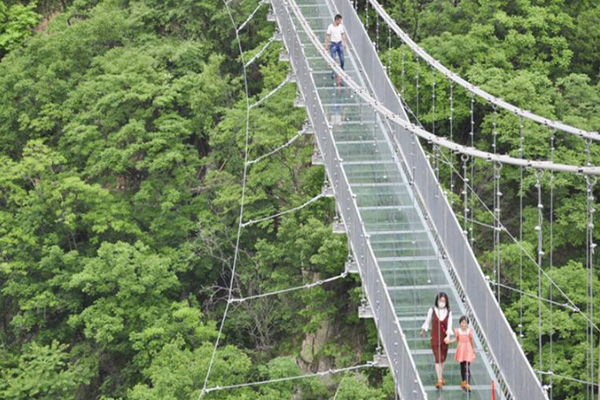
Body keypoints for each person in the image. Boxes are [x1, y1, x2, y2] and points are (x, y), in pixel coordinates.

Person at [420, 292, 453, 389]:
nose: (442, 302)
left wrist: (448, 336)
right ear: (437, 301)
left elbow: (449, 324)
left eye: (443, 301)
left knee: (442, 358)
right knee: (438, 358)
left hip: (444, 338)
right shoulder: (432, 310)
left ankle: (441, 377)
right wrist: (423, 331)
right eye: (440, 300)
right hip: (435, 337)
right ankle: (439, 380)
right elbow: (427, 320)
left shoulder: (448, 311)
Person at [447, 315, 476, 392]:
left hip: (468, 349)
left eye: (465, 323)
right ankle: (464, 382)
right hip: (461, 349)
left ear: (467, 324)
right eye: (462, 323)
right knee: (462, 367)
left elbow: (471, 340)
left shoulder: (469, 331)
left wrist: (473, 350)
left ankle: (468, 383)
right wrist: (449, 341)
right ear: (460, 323)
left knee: (467, 367)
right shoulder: (458, 331)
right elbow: (456, 339)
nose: (463, 325)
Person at [324, 14, 346, 86]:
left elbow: (343, 34)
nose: (340, 21)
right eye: (340, 20)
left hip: (339, 44)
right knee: (333, 60)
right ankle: (333, 73)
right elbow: (327, 36)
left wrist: (344, 43)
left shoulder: (340, 26)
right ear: (336, 20)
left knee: (342, 59)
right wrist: (326, 45)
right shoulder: (330, 27)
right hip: (333, 44)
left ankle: (341, 69)